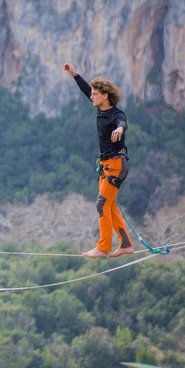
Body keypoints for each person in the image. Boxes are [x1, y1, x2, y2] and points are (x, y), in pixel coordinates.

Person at [63, 63, 134, 258]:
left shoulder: (116, 114)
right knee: (109, 205)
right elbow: (86, 89)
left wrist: (120, 129)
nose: (91, 96)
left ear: (106, 96)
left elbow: (122, 122)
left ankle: (103, 247)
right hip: (106, 166)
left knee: (102, 204)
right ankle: (126, 244)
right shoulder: (100, 108)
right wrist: (74, 74)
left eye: (96, 94)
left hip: (116, 165)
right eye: (92, 94)